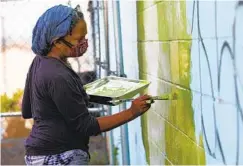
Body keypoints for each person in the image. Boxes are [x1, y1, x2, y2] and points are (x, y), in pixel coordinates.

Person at [22, 4, 152, 165]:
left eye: (85, 37)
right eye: (79, 39)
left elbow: (28, 109)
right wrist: (132, 112)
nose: (84, 43)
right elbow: (87, 126)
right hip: (61, 155)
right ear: (57, 42)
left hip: (37, 154)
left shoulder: (39, 62)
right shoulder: (58, 75)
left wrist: (87, 95)